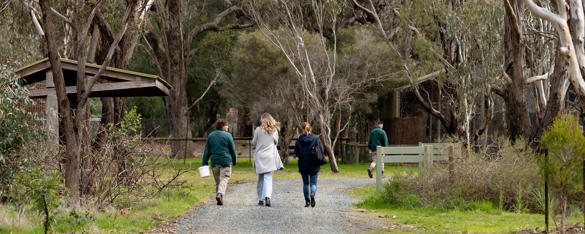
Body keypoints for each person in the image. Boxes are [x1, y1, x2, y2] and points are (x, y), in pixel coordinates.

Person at [251, 113, 284, 207]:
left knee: (260, 178)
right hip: (270, 157)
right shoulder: (274, 131)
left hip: (260, 156)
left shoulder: (257, 130)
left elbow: (254, 142)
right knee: (268, 178)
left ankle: (261, 199)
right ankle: (267, 197)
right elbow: (275, 142)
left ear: (262, 120)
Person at [202, 119, 237, 205]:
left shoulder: (210, 136)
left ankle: (220, 198)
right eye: (227, 125)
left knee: (218, 182)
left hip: (215, 162)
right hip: (225, 161)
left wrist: (204, 162)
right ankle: (220, 194)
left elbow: (207, 150)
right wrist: (234, 160)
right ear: (223, 126)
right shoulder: (228, 135)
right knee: (224, 178)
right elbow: (232, 150)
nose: (228, 127)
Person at [294, 122, 324, 208]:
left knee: (306, 184)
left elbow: (296, 152)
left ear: (302, 129)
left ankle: (307, 201)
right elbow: (321, 150)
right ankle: (312, 194)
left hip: (303, 164)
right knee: (313, 184)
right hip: (314, 163)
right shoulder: (316, 139)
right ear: (310, 128)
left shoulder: (299, 140)